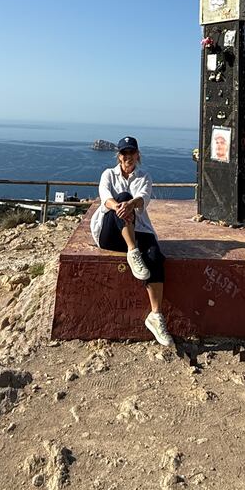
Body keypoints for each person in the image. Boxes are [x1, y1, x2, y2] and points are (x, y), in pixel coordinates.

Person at [89, 135, 174, 347]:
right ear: (118, 156)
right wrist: (121, 204)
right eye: (124, 153)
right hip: (108, 233)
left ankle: (155, 315)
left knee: (155, 256)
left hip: (138, 229)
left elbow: (143, 198)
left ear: (138, 155)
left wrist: (131, 203)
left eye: (131, 153)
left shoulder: (145, 176)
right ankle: (132, 250)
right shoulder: (108, 174)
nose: (128, 156)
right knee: (122, 197)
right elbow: (105, 198)